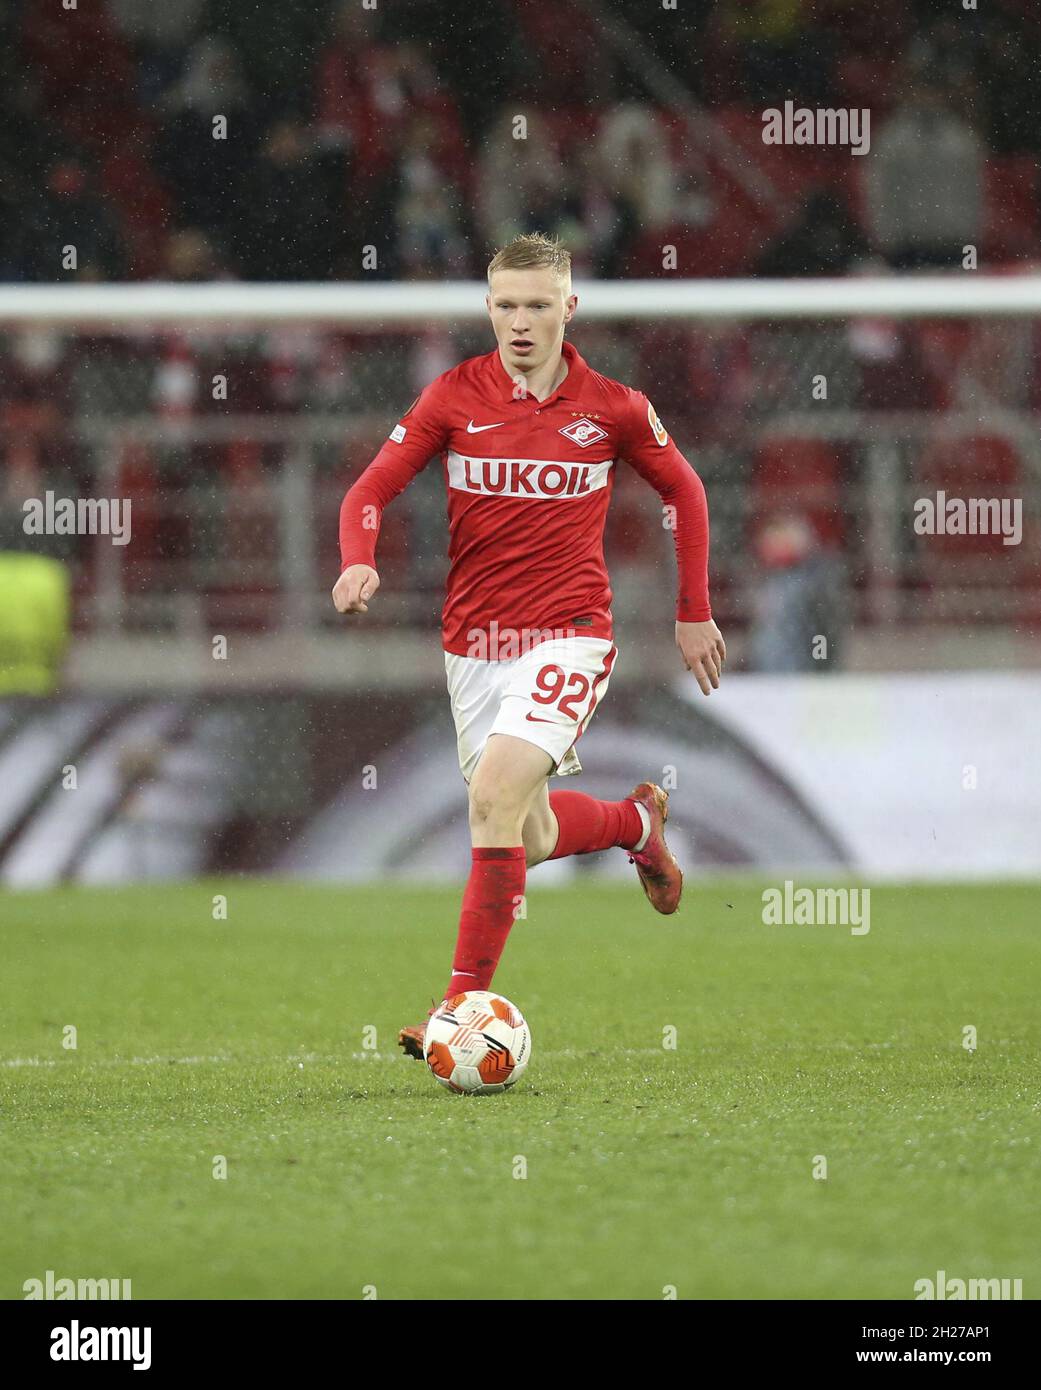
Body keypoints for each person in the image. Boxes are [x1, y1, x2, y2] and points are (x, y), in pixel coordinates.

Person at [332, 233, 726, 1058]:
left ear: (568, 309)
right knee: (529, 831)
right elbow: (370, 489)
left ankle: (458, 1008)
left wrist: (692, 610)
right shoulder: (452, 395)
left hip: (568, 634)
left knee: (492, 797)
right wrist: (357, 561)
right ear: (487, 308)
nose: (520, 321)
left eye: (537, 304)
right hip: (473, 646)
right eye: (505, 304)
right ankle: (635, 825)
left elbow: (684, 490)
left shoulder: (611, 407)